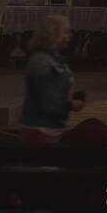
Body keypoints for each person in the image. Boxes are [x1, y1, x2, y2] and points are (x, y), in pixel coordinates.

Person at [20, 14, 85, 144]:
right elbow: (46, 99)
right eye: (65, 32)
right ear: (53, 34)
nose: (69, 36)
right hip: (40, 128)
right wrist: (72, 104)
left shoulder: (55, 58)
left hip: (53, 127)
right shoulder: (41, 62)